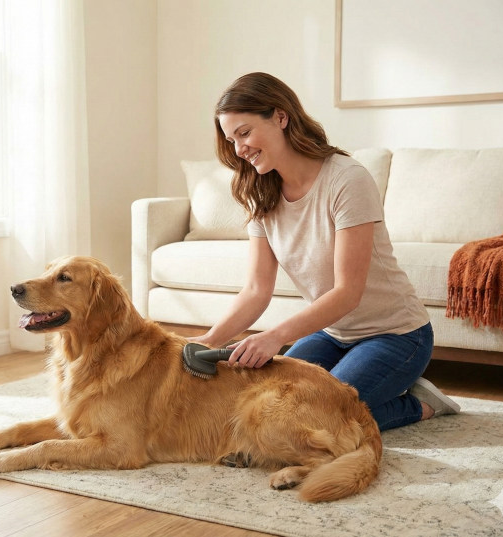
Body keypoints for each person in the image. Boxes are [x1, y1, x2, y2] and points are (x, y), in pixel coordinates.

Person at [190, 72, 460, 432]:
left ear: (281, 117)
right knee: (259, 407)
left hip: (396, 335)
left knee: (317, 418)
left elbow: (348, 292)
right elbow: (256, 290)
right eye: (231, 139)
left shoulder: (346, 179)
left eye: (245, 133)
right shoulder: (261, 192)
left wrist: (274, 337)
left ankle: (419, 404)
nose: (239, 149)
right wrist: (210, 339)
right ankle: (375, 389)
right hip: (332, 333)